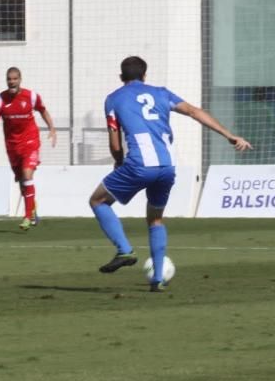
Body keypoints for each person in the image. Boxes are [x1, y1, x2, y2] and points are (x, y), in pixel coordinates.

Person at [90, 56, 252, 291]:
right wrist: (230, 136)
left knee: (97, 200)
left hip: (138, 165)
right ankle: (157, 279)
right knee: (155, 218)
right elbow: (195, 112)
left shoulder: (113, 99)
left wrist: (118, 162)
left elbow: (115, 144)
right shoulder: (162, 93)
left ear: (121, 77)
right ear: (145, 75)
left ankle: (124, 250)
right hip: (167, 167)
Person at [0, 67, 56, 230]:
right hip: (12, 145)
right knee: (22, 180)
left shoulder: (31, 97)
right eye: (9, 79)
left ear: (20, 79)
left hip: (30, 141)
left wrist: (51, 128)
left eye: (15, 79)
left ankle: (27, 216)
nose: (12, 82)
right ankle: (33, 210)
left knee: (28, 173)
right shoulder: (0, 100)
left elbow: (43, 111)